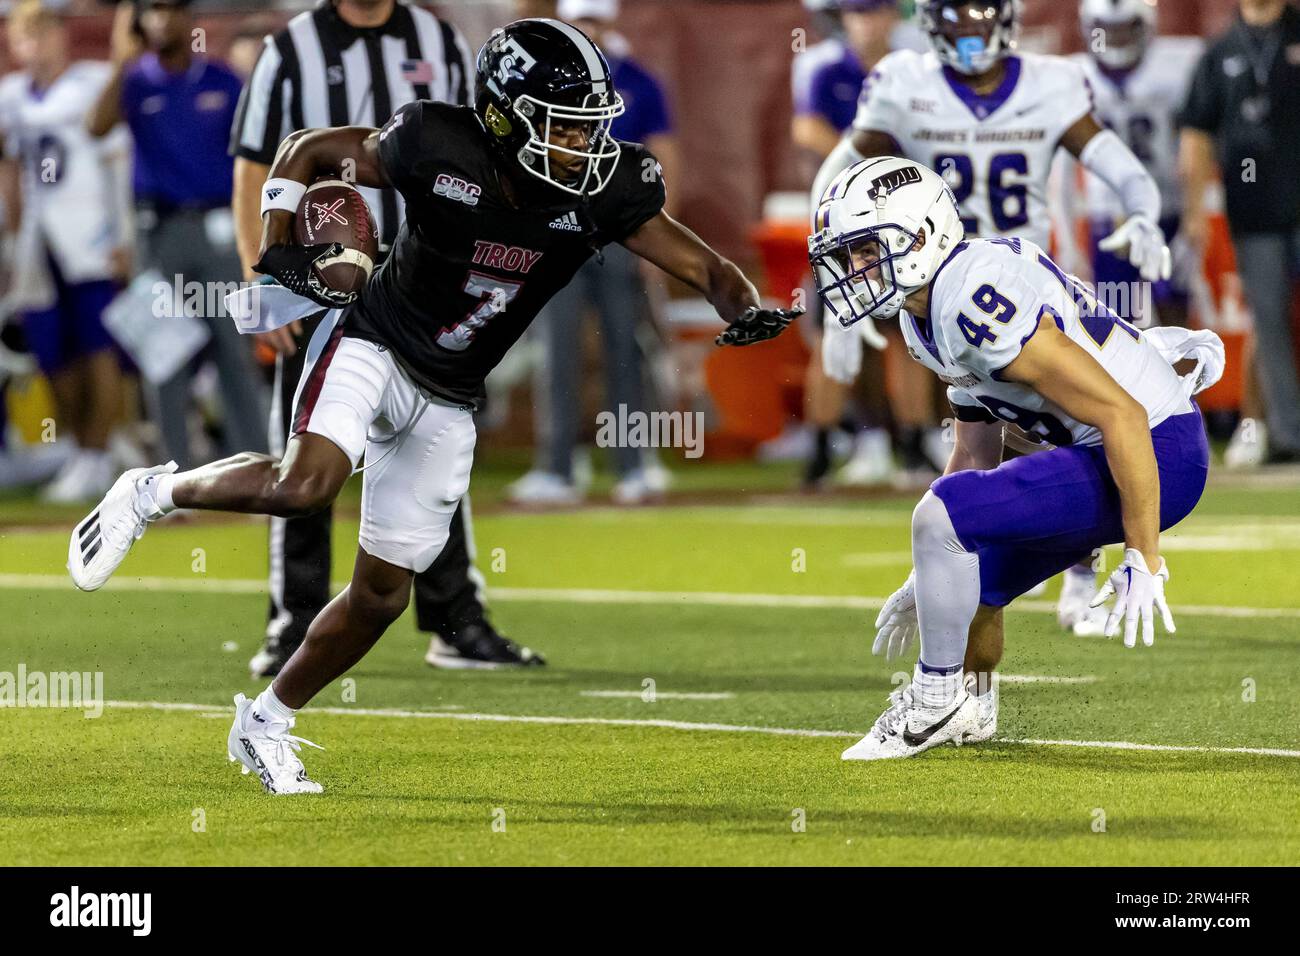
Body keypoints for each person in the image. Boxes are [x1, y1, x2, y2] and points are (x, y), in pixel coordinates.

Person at [67, 18, 798, 794]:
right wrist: (276, 254)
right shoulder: (434, 143)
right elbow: (306, 151)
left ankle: (265, 723)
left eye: (590, 127)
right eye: (566, 127)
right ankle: (152, 491)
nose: (585, 146)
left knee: (384, 595)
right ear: (504, 117)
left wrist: (741, 306)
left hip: (451, 393)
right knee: (302, 486)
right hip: (374, 341)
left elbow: (706, 265)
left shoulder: (610, 187)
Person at [808, 156, 1219, 759]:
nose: (853, 270)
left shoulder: (970, 299)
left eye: (866, 251)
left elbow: (1122, 414)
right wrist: (930, 573)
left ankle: (933, 701)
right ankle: (972, 708)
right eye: (848, 256)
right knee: (962, 564)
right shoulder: (926, 315)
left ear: (919, 238)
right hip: (1119, 445)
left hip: (1156, 447)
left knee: (938, 516)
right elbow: (975, 450)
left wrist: (1143, 555)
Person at [815, 0, 1172, 660]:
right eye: (956, 25)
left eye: (979, 23)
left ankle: (1084, 575)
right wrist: (828, 274)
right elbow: (838, 177)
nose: (970, 38)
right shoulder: (904, 83)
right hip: (926, 282)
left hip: (1015, 285)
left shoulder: (1049, 83)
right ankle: (1002, 582)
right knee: (991, 435)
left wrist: (1145, 213)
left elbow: (1119, 164)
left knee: (1071, 419)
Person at [229, 0, 535, 677]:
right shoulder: (290, 48)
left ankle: (456, 620)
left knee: (434, 448)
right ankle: (295, 622)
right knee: (304, 454)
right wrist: (265, 271)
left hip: (427, 274)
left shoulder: (442, 41)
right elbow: (255, 165)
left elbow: (489, 150)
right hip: (318, 273)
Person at [506, 0, 680, 507]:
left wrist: (658, 236)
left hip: (617, 234)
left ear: (609, 23)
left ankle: (633, 462)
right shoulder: (540, 82)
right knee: (557, 351)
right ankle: (557, 467)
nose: (589, 30)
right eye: (580, 21)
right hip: (555, 234)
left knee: (625, 348)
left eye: (595, 21)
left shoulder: (639, 82)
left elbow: (664, 160)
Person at [86, 0, 268, 470]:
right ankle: (172, 480)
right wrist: (122, 59)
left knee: (234, 352)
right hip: (158, 233)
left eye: (171, 9)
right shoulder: (135, 80)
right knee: (164, 357)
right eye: (152, 11)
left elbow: (256, 158)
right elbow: (95, 126)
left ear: (190, 18)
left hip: (219, 232)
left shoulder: (222, 80)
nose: (162, 20)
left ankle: (249, 469)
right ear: (139, 23)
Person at [0, 1, 132, 502]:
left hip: (90, 230)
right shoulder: (11, 96)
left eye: (45, 33)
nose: (37, 45)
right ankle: (83, 449)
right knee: (51, 348)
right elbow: (12, 170)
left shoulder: (91, 83)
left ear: (62, 36)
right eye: (25, 36)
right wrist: (13, 244)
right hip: (38, 237)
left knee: (99, 347)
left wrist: (124, 237)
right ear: (14, 44)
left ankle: (99, 455)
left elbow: (116, 162)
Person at [792, 0, 916, 490]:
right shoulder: (824, 68)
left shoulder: (909, 71)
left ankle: (913, 438)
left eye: (876, 11)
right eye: (859, 12)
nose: (867, 21)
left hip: (897, 223)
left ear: (893, 16)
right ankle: (821, 446)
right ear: (844, 17)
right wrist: (867, 158)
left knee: (907, 334)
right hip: (843, 226)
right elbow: (807, 128)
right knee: (831, 336)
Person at [1179, 0, 1300, 466]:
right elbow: (1196, 132)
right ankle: (1288, 436)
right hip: (1254, 208)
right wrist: (1193, 213)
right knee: (1268, 324)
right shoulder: (1220, 51)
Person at [1063, 0, 1201, 329]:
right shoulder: (1072, 77)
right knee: (1118, 327)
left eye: (1125, 30)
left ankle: (1185, 382)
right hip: (1111, 221)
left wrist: (1192, 223)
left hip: (1167, 212)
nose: (1116, 39)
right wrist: (1068, 242)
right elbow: (1063, 172)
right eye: (1107, 31)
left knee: (1176, 326)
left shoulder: (1177, 68)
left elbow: (1197, 145)